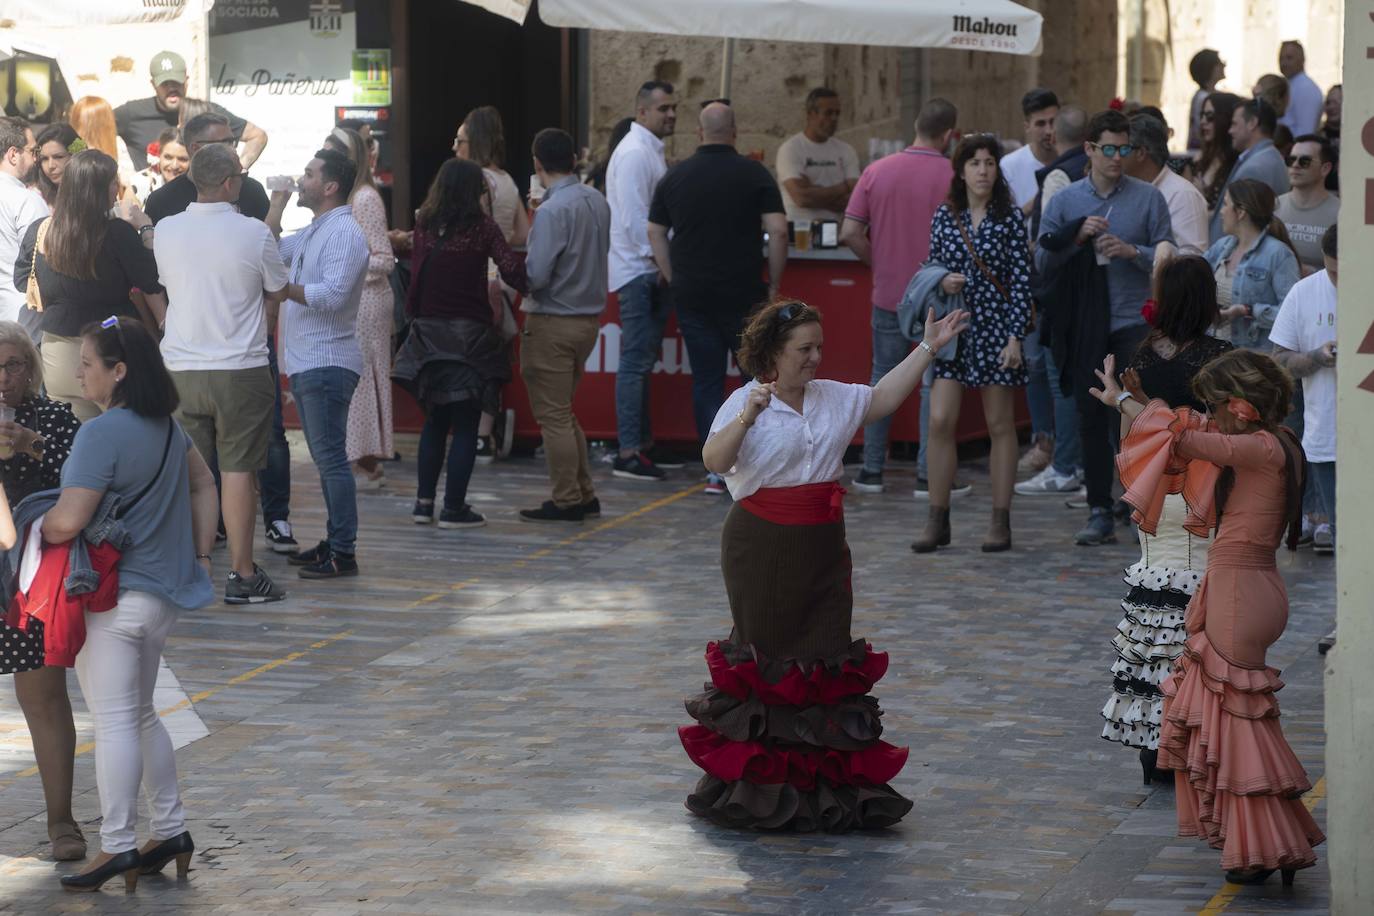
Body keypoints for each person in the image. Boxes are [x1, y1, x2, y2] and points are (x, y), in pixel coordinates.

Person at [680, 298, 970, 832]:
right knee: (768, 663)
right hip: (759, 545)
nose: (815, 358)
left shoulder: (832, 397)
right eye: (803, 349)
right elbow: (715, 463)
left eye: (818, 347)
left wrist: (928, 347)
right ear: (773, 353)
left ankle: (823, 792)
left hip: (823, 545)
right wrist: (748, 417)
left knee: (823, 658)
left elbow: (881, 397)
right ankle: (762, 792)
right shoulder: (744, 401)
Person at [1097, 348, 1324, 885]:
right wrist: (1129, 404)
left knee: (1237, 727)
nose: (1210, 414)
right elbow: (1192, 429)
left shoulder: (1259, 449)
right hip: (1253, 588)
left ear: (1239, 408)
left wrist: (1125, 400)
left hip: (1239, 594)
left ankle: (1263, 850)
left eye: (1216, 406)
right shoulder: (1280, 444)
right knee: (1241, 721)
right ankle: (1273, 841)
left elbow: (1183, 437)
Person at [42, 317, 215, 891]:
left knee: (115, 722)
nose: (78, 372)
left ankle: (117, 847)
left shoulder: (102, 433)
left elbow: (69, 521)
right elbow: (204, 483)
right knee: (142, 716)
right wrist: (204, 554)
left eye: (87, 363)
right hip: (161, 597)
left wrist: (31, 526)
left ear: (118, 372)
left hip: (114, 601)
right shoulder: (166, 426)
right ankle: (169, 830)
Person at [1096, 257, 1233, 782]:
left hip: (1153, 497)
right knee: (1196, 621)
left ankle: (1153, 746)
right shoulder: (1222, 360)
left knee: (1153, 618)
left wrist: (1129, 403)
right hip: (1204, 495)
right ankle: (1192, 739)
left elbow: (1134, 432)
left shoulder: (1140, 357)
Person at [154, 143, 289, 604]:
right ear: (231, 183)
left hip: (180, 368)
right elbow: (278, 287)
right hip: (240, 367)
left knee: (190, 475)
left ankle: (189, 568)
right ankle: (243, 574)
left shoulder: (166, 230)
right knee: (237, 471)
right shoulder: (254, 233)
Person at [1036, 108, 1172, 546]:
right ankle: (1098, 507)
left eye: (1125, 149)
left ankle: (1138, 504)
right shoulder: (1066, 201)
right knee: (1092, 415)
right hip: (1083, 323)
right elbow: (1041, 260)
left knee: (1138, 415)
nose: (1118, 158)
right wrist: (1076, 239)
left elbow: (1170, 257)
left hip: (1134, 320)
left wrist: (1134, 252)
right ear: (1089, 150)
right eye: (1109, 149)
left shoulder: (1147, 198)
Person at [647, 103, 787, 495]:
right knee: (756, 379)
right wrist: (774, 283)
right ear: (735, 132)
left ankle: (715, 470)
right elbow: (777, 230)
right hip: (746, 294)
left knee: (707, 381)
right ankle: (758, 463)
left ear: (698, 132)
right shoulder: (755, 173)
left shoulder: (675, 177)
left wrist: (675, 277)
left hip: (693, 294)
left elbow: (654, 230)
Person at [392, 158, 527, 530]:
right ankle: (453, 508)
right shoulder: (482, 229)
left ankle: (423, 505)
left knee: (435, 421)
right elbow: (511, 268)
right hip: (469, 339)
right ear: (474, 192)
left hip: (429, 336)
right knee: (466, 424)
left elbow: (416, 272)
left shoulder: (424, 225)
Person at [912, 136, 1031, 553]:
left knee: (1000, 424)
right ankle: (937, 518)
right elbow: (931, 265)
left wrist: (1016, 336)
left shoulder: (1010, 217)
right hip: (954, 328)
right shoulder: (946, 216)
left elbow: (1021, 281)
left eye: (989, 163)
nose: (983, 170)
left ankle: (1001, 520)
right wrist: (941, 279)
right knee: (940, 420)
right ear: (960, 171)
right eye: (974, 163)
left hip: (998, 329)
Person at [842, 98, 965, 497]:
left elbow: (849, 232)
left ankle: (872, 470)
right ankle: (929, 474)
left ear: (915, 125)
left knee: (881, 377)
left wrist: (879, 263)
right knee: (933, 382)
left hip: (890, 291)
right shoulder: (956, 177)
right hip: (941, 297)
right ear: (949, 135)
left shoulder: (877, 171)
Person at [0, 321, 84, 861]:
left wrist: (30, 448)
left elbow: (82, 479)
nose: (2, 377)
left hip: (31, 578)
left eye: (12, 366)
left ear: (30, 368)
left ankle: (62, 822)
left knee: (43, 698)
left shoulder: (53, 417)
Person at [266, 149, 369, 578]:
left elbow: (333, 295)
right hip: (313, 361)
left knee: (329, 459)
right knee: (328, 458)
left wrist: (282, 291)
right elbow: (267, 249)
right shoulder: (316, 231)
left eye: (308, 175)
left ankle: (343, 551)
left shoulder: (344, 232)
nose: (301, 179)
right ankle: (335, 540)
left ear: (329, 187)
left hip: (327, 362)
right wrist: (278, 202)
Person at [15, 150, 164, 422]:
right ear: (99, 188)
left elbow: (21, 279)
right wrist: (145, 231)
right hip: (108, 345)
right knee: (129, 432)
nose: (116, 188)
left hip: (57, 350)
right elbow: (150, 279)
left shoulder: (42, 230)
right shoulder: (117, 232)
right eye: (112, 182)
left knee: (75, 439)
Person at [518, 128, 611, 523]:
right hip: (587, 321)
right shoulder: (596, 200)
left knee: (553, 415)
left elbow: (536, 274)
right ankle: (583, 492)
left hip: (552, 320)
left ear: (538, 165)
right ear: (573, 159)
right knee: (563, 410)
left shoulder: (553, 211)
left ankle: (567, 498)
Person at [1015, 105, 1090, 496]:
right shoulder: (1089, 170)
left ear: (1055, 135)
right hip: (1084, 291)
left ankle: (1065, 464)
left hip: (1059, 293)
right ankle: (1075, 463)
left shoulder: (1060, 175)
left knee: (1059, 378)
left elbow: (1050, 240)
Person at [606, 80, 677, 481]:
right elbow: (637, 223)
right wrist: (664, 268)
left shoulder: (647, 150)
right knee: (634, 363)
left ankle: (643, 444)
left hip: (646, 269)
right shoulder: (634, 153)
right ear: (642, 111)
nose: (670, 115)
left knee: (641, 362)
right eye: (663, 108)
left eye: (673, 108)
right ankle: (628, 449)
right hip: (639, 271)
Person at [454, 106, 529, 463]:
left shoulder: (474, 179)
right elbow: (522, 234)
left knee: (470, 357)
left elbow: (470, 230)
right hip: (503, 277)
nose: (455, 147)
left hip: (476, 277)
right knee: (492, 356)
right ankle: (485, 432)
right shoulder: (510, 181)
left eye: (461, 139)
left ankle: (477, 433)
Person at [323, 127, 394, 490]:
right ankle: (361, 461)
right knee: (353, 378)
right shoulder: (344, 197)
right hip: (351, 298)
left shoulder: (364, 198)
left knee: (361, 379)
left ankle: (365, 462)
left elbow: (383, 257)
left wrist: (344, 270)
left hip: (366, 301)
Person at [1269, 224, 1336, 557]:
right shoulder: (1305, 291)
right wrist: (1317, 358)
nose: (1338, 281)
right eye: (1332, 271)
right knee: (1343, 542)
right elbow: (1279, 358)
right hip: (1325, 431)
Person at [114, 51, 266, 170]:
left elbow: (257, 136)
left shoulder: (207, 112)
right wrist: (119, 178)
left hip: (199, 203)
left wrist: (237, 171)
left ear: (186, 82)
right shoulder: (131, 114)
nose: (172, 88)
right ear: (153, 84)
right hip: (152, 206)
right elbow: (95, 127)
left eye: (176, 82)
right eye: (165, 83)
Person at [1203, 179, 1300, 352]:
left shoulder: (1279, 255)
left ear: (1240, 212)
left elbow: (1292, 315)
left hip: (1255, 361)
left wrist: (1247, 310)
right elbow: (1194, 278)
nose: (1221, 212)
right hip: (1214, 354)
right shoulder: (1222, 247)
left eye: (1225, 204)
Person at [146, 113, 271, 224]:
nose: (232, 149)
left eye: (232, 142)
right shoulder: (161, 200)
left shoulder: (251, 190)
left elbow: (269, 241)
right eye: (224, 142)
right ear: (195, 148)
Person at [1124, 114, 1209, 259]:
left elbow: (1192, 259)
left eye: (1123, 149)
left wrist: (1137, 253)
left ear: (1141, 153)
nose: (1116, 156)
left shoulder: (1182, 195)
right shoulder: (1124, 189)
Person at [775, 87, 860, 222]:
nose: (834, 118)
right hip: (799, 233)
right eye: (828, 113)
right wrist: (843, 187)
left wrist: (813, 191)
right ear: (810, 114)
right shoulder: (790, 149)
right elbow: (802, 198)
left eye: (837, 113)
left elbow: (855, 200)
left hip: (835, 234)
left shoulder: (846, 150)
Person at [1209, 99, 1289, 242]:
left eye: (1234, 124)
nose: (1230, 130)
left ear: (1252, 123)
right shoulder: (1270, 157)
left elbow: (1239, 224)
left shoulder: (1255, 168)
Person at [0, 117, 48, 327]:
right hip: (23, 319)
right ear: (13, 155)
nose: (37, 159)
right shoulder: (26, 200)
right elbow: (43, 262)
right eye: (33, 152)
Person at [1275, 135, 1338, 276]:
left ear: (1325, 169)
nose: (1295, 165)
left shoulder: (1340, 214)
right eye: (1291, 160)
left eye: (1305, 161)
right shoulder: (1273, 207)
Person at [1000, 88, 1060, 215]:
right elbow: (1003, 223)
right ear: (1027, 127)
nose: (1049, 131)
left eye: (1053, 122)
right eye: (1040, 124)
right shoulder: (1009, 166)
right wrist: (1031, 207)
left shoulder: (1073, 162)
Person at [1190, 92, 1243, 212]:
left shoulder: (1237, 164)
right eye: (1202, 115)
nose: (1203, 121)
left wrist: (1201, 199)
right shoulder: (1200, 159)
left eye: (1210, 116)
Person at [127, 127, 189, 203]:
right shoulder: (139, 183)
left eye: (182, 159)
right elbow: (124, 214)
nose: (174, 165)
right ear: (159, 155)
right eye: (168, 157)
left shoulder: (201, 189)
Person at [1277, 40, 1323, 137]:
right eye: (1281, 58)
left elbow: (1306, 132)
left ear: (1302, 60)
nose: (1284, 63)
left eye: (1289, 58)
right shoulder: (1287, 84)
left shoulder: (1307, 88)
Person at [1186, 49, 1225, 151]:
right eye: (1219, 63)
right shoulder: (1203, 98)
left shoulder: (1208, 95)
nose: (1224, 66)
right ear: (1210, 68)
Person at [34, 123, 81, 209]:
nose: (51, 166)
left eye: (58, 157)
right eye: (44, 159)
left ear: (75, 155)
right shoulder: (35, 197)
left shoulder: (94, 190)